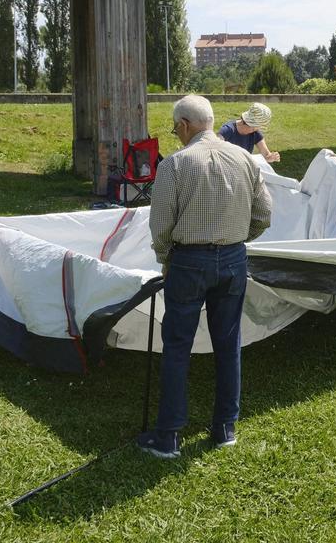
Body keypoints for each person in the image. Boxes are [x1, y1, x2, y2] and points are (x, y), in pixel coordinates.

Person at [138, 95, 272, 458]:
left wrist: (166, 257)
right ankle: (225, 426)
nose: (175, 135)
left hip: (188, 261)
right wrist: (236, 239)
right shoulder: (245, 158)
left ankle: (168, 436)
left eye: (175, 129)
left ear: (184, 125)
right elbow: (264, 214)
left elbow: (160, 224)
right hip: (233, 259)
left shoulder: (175, 165)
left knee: (177, 346)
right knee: (229, 343)